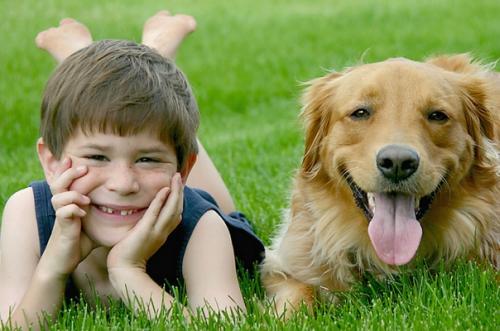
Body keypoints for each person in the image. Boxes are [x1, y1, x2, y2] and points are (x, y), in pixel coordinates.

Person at [0, 11, 264, 330]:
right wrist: (52, 267)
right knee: (141, 124)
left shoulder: (203, 226)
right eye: (97, 156)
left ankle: (148, 60)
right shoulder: (25, 212)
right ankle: (92, 64)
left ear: (184, 169)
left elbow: (226, 327)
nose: (123, 184)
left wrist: (128, 270)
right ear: (51, 163)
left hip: (194, 208)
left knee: (224, 210)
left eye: (147, 159)